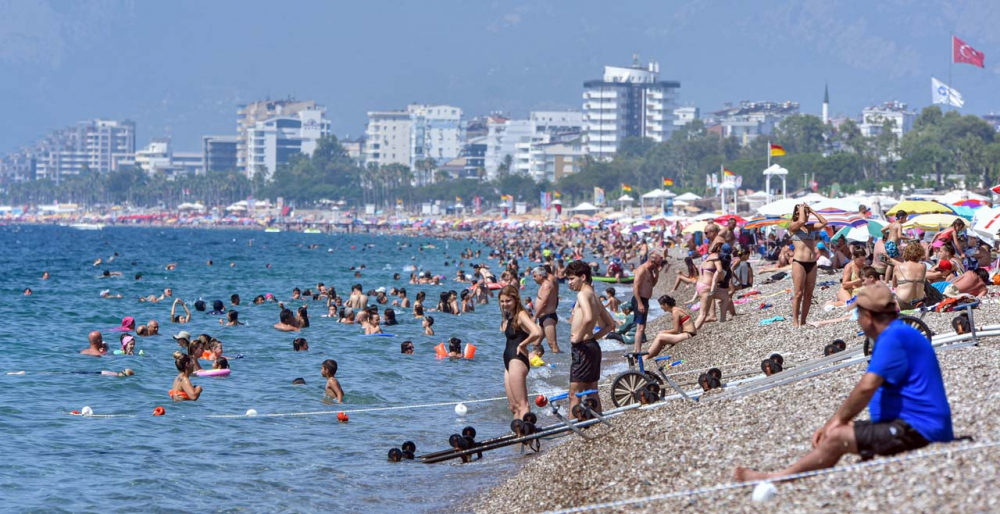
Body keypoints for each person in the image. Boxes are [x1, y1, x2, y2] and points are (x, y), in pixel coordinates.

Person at [734, 283, 953, 481]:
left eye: (858, 313)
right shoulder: (899, 333)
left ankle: (776, 478)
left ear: (868, 316)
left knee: (838, 435)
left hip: (919, 429)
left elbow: (866, 388)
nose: (857, 319)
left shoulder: (892, 338)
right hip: (910, 424)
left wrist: (833, 422)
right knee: (843, 429)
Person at [566, 260, 615, 416]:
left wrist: (578, 338)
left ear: (583, 277)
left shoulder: (582, 294)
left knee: (574, 395)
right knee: (592, 391)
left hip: (583, 348)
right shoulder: (593, 295)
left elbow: (587, 318)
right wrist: (593, 337)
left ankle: (571, 430)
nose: (569, 283)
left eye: (572, 278)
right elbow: (610, 324)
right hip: (592, 346)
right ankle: (598, 421)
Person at [498, 285, 543, 419]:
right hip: (508, 360)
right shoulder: (509, 316)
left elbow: (537, 332)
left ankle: (527, 436)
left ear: (516, 300)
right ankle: (519, 435)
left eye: (508, 301)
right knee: (513, 406)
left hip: (517, 359)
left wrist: (523, 344)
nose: (505, 304)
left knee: (522, 404)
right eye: (502, 301)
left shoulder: (521, 314)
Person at [788, 203, 828, 327]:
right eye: (803, 212)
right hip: (799, 262)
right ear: (796, 213)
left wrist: (812, 210)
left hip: (812, 263)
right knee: (798, 293)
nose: (805, 215)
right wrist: (801, 210)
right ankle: (795, 321)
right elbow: (800, 221)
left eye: (806, 213)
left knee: (809, 294)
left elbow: (824, 222)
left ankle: (803, 320)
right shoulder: (793, 226)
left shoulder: (810, 227)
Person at [646, 295, 696, 364]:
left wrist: (663, 331)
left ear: (666, 305)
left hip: (688, 334)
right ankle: (650, 356)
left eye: (661, 305)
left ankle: (645, 357)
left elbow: (676, 330)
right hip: (688, 333)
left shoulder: (675, 312)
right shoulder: (677, 309)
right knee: (662, 339)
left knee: (660, 336)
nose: (661, 307)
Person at [630, 253, 664, 353]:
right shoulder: (642, 270)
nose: (658, 266)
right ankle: (638, 352)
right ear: (652, 261)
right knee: (640, 327)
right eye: (657, 264)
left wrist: (656, 273)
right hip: (639, 299)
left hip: (645, 300)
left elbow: (652, 284)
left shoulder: (649, 270)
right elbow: (635, 287)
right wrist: (639, 303)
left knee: (641, 327)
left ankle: (636, 350)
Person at [532, 266, 561, 354]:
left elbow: (544, 303)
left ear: (541, 276)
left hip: (548, 317)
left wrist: (535, 316)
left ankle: (559, 364)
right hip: (542, 318)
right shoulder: (543, 285)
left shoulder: (546, 285)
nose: (533, 278)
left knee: (552, 344)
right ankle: (537, 364)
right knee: (535, 343)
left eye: (535, 276)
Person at [893, 243, 928, 310]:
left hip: (901, 301)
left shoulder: (898, 267)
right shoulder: (923, 267)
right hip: (918, 302)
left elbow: (894, 285)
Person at [882, 210, 908, 280]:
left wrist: (887, 237)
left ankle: (892, 280)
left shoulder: (892, 224)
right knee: (892, 263)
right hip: (893, 244)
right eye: (905, 218)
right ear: (901, 218)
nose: (906, 220)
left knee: (894, 262)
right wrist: (909, 238)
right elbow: (899, 236)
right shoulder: (899, 225)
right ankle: (888, 281)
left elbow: (882, 230)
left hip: (888, 243)